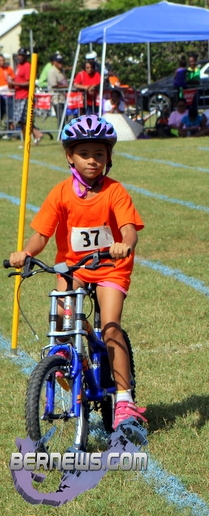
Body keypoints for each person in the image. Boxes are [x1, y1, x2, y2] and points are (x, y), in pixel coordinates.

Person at [7, 114, 147, 429]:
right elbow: (42, 234)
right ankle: (72, 364)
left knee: (110, 327)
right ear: (70, 156)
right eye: (84, 154)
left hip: (110, 266)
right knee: (63, 321)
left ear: (108, 157)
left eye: (99, 154)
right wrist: (27, 253)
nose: (92, 160)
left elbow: (129, 229)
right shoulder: (60, 193)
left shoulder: (115, 191)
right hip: (73, 267)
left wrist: (124, 244)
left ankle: (124, 400)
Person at [8, 48, 44, 143]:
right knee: (20, 120)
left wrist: (13, 83)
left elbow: (29, 83)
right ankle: (33, 136)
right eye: (19, 55)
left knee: (24, 119)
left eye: (22, 55)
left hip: (25, 96)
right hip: (18, 95)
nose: (20, 57)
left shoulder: (27, 66)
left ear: (25, 56)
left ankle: (35, 135)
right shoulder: (19, 66)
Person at [47, 53, 69, 123]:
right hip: (56, 99)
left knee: (65, 118)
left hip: (63, 98)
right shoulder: (52, 71)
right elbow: (54, 86)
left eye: (61, 62)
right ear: (54, 62)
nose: (61, 63)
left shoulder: (61, 70)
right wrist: (67, 86)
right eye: (59, 62)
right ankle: (61, 130)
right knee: (61, 118)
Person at [0, 54, 16, 131]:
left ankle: (11, 130)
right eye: (0, 60)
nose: (2, 62)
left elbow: (13, 80)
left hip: (8, 94)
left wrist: (9, 79)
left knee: (10, 113)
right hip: (1, 95)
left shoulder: (9, 69)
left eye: (3, 60)